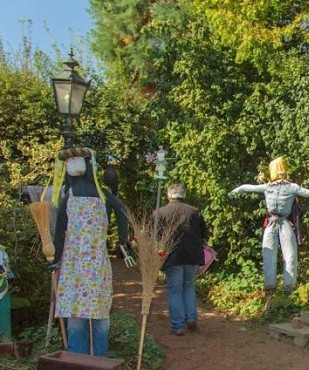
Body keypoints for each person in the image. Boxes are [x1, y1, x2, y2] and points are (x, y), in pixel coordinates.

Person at [53, 147, 133, 357]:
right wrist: (122, 240)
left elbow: (60, 229)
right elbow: (60, 227)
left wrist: (55, 256)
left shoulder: (87, 194)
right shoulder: (95, 194)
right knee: (87, 311)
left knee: (84, 311)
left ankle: (86, 357)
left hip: (81, 263)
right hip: (84, 263)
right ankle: (91, 357)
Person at [228, 157, 309, 297]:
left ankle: (270, 287)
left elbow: (245, 187)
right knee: (290, 255)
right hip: (284, 224)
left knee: (269, 254)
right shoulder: (292, 187)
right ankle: (288, 288)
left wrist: (231, 193)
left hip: (271, 224)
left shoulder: (267, 187)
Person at [152, 183, 208, 336]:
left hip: (172, 256)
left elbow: (155, 236)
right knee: (189, 287)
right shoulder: (194, 211)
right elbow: (204, 233)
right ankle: (191, 318)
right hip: (192, 256)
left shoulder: (159, 213)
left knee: (175, 290)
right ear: (183, 195)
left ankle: (178, 326)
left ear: (169, 195)